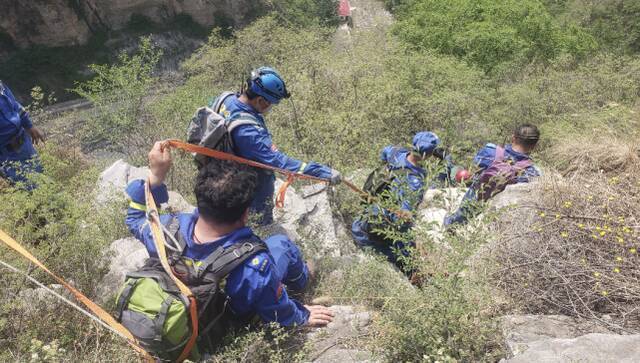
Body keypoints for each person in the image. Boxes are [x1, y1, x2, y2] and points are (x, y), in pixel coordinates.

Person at [125, 142, 335, 334]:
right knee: (281, 244)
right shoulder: (254, 266)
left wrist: (156, 174)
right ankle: (303, 280)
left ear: (200, 200)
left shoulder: (165, 229)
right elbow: (275, 310)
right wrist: (301, 315)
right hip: (224, 320)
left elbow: (136, 218)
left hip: (177, 307)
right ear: (245, 214)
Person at [210, 67, 341, 225]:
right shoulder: (248, 132)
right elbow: (280, 162)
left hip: (220, 173)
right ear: (260, 101)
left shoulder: (225, 98)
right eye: (271, 104)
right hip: (249, 190)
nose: (270, 108)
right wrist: (322, 172)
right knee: (259, 225)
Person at [351, 131, 442, 277]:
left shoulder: (396, 153)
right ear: (429, 155)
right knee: (408, 265)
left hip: (363, 221)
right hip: (373, 237)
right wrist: (411, 253)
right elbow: (402, 221)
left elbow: (385, 151)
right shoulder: (414, 183)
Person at [444, 124, 541, 226]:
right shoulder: (532, 171)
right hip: (500, 209)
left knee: (455, 170)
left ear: (513, 138)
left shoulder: (490, 151)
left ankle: (451, 223)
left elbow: (474, 167)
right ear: (534, 146)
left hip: (476, 198)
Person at [0, 81, 45, 189]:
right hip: (8, 155)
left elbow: (15, 105)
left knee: (42, 178)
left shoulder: (1, 86)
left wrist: (30, 126)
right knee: (30, 189)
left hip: (25, 143)